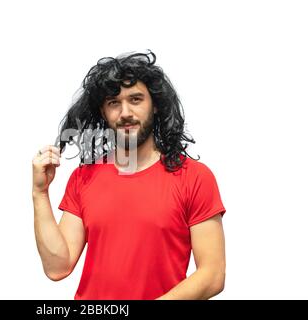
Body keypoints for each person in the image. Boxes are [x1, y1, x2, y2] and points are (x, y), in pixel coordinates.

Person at [32, 50, 226, 300]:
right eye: (114, 103)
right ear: (104, 112)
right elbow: (57, 267)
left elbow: (212, 275)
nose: (125, 113)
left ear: (155, 106)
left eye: (136, 100)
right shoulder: (84, 177)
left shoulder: (195, 178)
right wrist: (40, 193)